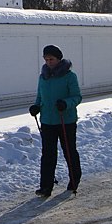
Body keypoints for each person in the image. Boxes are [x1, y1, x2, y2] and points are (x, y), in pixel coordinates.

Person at [28, 44, 82, 197]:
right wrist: (36, 106)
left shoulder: (69, 76)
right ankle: (46, 186)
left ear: (59, 59)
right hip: (47, 120)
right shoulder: (43, 77)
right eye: (46, 59)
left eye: (51, 59)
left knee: (69, 151)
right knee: (48, 154)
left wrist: (66, 103)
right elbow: (40, 96)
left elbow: (77, 97)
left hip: (66, 120)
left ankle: (74, 179)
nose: (48, 62)